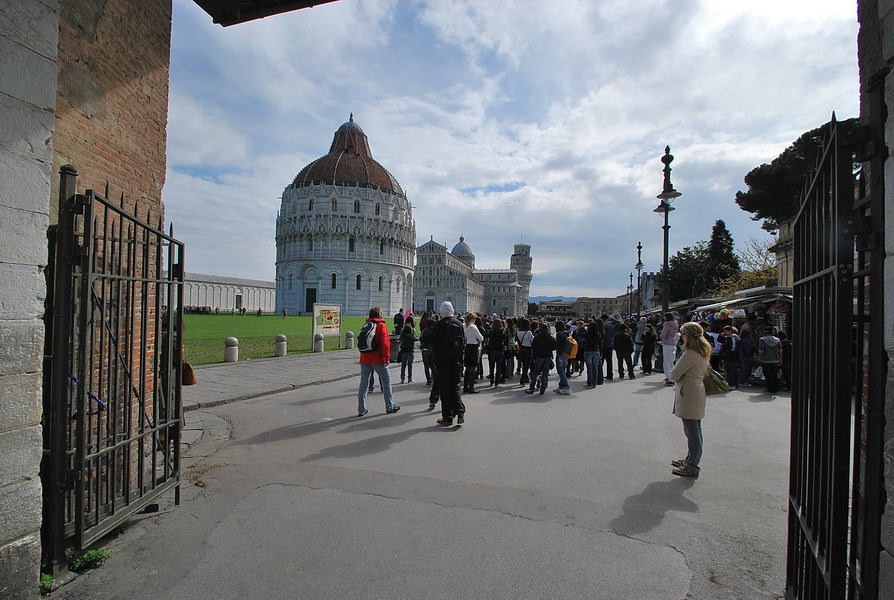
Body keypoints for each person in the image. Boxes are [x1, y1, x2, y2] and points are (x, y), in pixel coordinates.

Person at [669, 321, 712, 478]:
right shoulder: (702, 351)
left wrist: (675, 370)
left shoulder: (690, 354)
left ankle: (692, 465)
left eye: (682, 334)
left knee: (692, 430)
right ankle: (690, 459)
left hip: (689, 392)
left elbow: (674, 374)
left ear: (687, 336)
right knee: (695, 428)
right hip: (695, 390)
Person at [357, 306, 399, 417]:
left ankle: (361, 409)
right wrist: (386, 358)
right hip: (378, 358)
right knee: (386, 381)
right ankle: (389, 406)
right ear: (379, 314)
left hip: (365, 358)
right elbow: (385, 343)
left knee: (364, 384)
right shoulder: (381, 325)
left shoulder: (366, 325)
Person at [428, 301, 466, 425]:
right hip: (456, 361)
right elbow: (463, 342)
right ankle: (460, 412)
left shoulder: (438, 325)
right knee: (455, 386)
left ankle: (447, 417)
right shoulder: (459, 324)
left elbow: (431, 341)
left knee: (445, 389)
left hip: (443, 361)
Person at [525, 323, 556, 395]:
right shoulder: (550, 337)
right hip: (548, 356)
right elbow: (554, 346)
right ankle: (543, 387)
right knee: (545, 372)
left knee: (535, 372)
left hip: (539, 356)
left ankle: (532, 387)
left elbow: (533, 346)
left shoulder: (537, 337)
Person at [462, 312, 484, 394]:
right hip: (473, 347)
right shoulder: (473, 327)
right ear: (472, 319)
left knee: (467, 369)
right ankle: (471, 387)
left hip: (467, 347)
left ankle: (465, 387)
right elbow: (481, 338)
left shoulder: (464, 325)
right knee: (473, 368)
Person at [757, 326, 782, 394]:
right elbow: (780, 350)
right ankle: (776, 388)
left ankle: (770, 388)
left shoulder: (762, 339)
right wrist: (780, 359)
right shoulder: (777, 340)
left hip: (766, 360)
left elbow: (761, 350)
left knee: (768, 375)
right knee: (774, 375)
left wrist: (758, 357)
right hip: (775, 360)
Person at [486, 319, 509, 387]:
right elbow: (506, 339)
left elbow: (486, 336)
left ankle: (491, 381)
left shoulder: (491, 331)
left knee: (491, 366)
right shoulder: (502, 332)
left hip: (491, 350)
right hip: (499, 350)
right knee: (499, 367)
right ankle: (497, 382)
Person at [659, 312, 679, 386]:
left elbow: (663, 335)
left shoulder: (667, 324)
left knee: (666, 361)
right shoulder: (675, 324)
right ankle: (673, 376)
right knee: (671, 361)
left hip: (667, 343)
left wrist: (661, 336)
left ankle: (669, 378)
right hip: (674, 342)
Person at [582, 318, 604, 387]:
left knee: (589, 368)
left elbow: (580, 334)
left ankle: (590, 382)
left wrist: (583, 327)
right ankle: (594, 382)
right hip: (596, 350)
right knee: (595, 367)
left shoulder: (587, 334)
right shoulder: (598, 334)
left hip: (588, 350)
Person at [553, 321, 571, 394]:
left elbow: (557, 344)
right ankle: (561, 386)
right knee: (563, 370)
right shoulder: (566, 333)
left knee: (560, 371)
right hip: (565, 354)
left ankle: (566, 387)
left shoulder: (559, 334)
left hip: (560, 354)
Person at [516, 318, 534, 385]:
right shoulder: (529, 333)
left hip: (521, 350)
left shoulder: (518, 333)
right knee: (526, 366)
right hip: (528, 350)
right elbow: (532, 341)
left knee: (523, 364)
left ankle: (525, 378)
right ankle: (522, 379)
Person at [601, 315, 615, 380]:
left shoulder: (603, 325)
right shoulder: (611, 325)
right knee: (609, 361)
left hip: (604, 345)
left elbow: (603, 335)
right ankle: (610, 375)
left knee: (601, 360)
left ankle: (600, 375)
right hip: (610, 345)